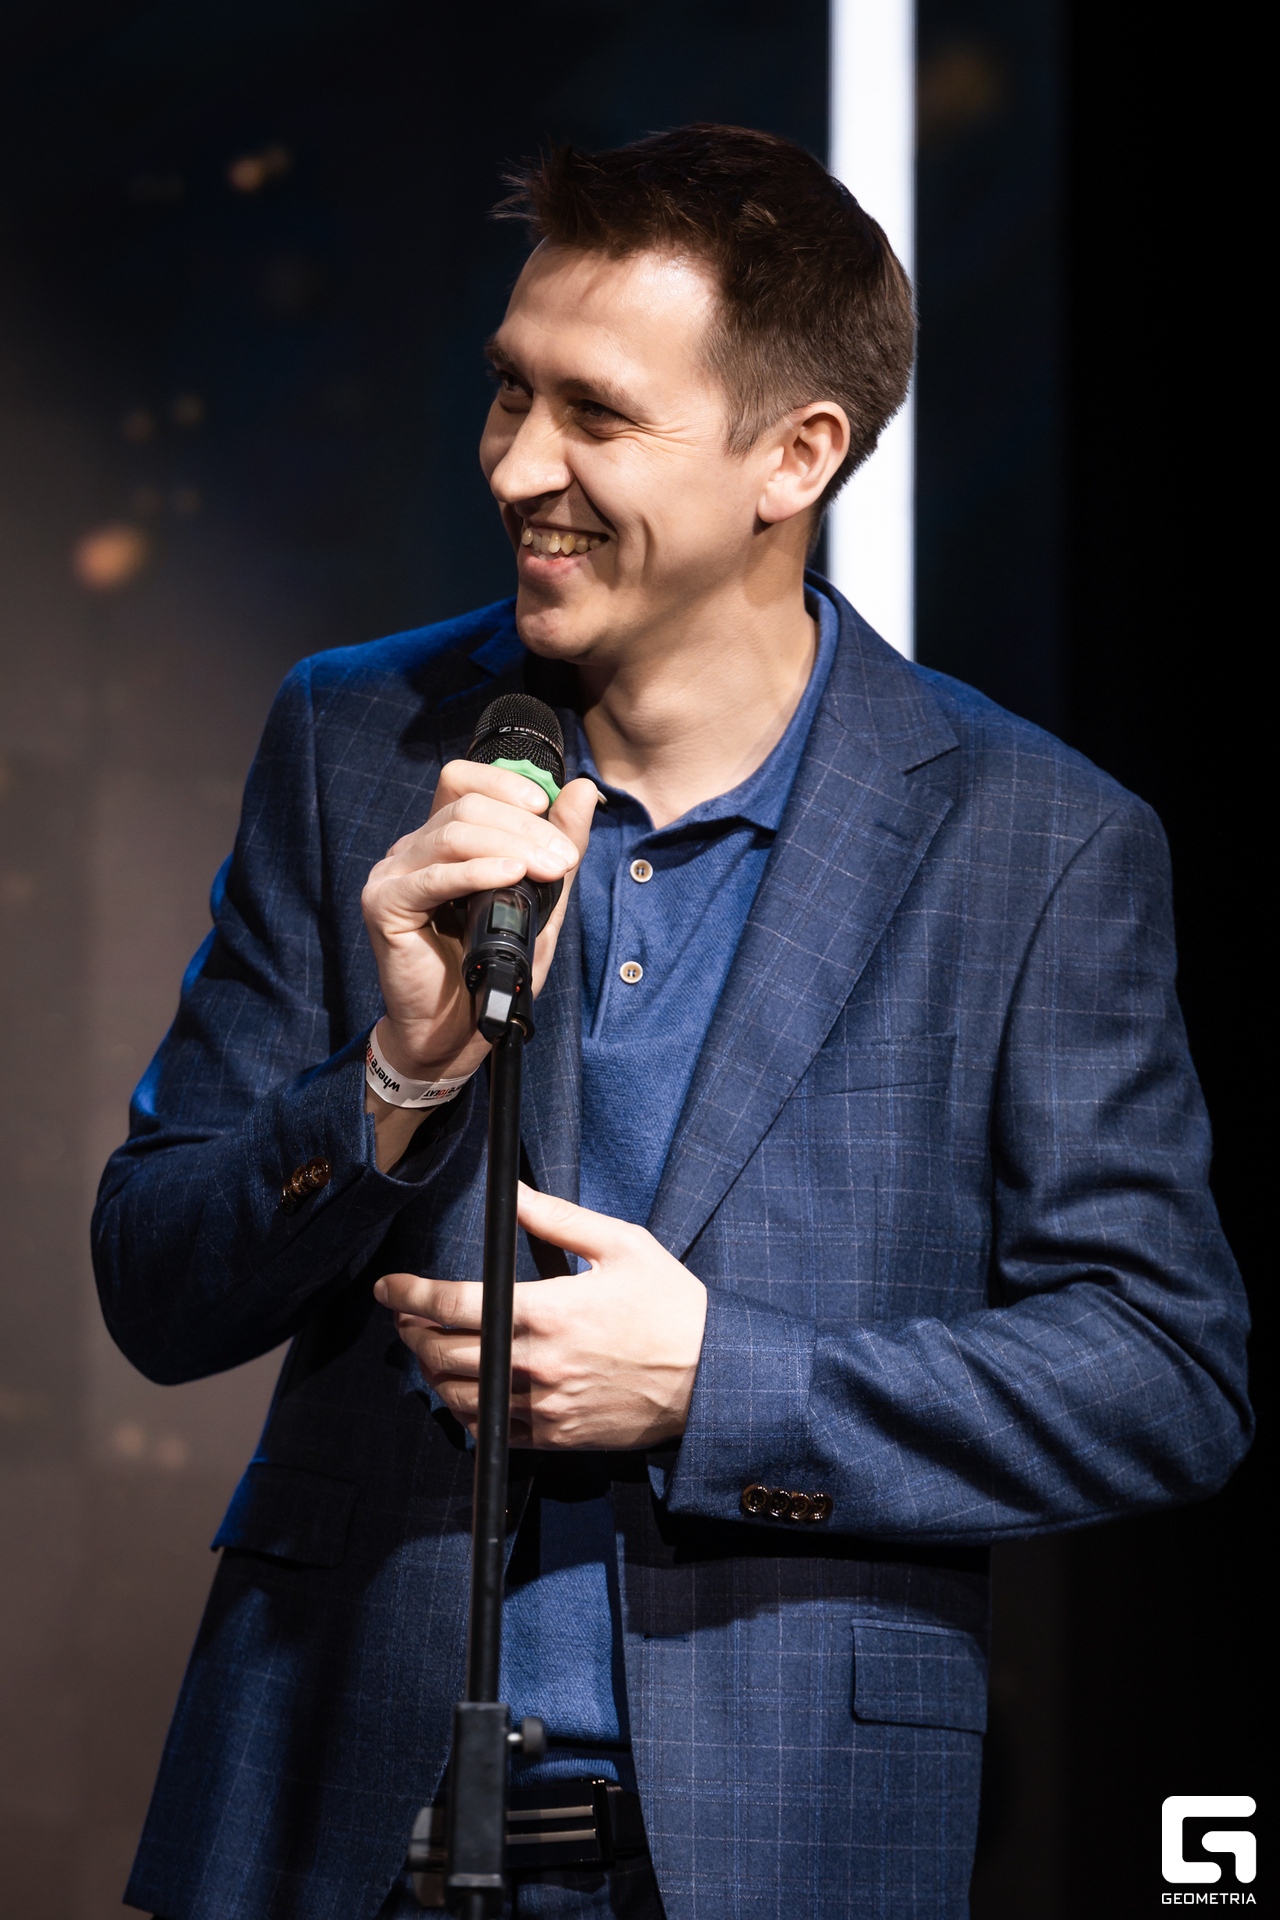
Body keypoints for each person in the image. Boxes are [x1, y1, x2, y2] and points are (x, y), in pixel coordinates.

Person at [93, 125, 1250, 1920]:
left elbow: (1163, 1375)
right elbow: (155, 1283)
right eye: (510, 391)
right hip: (332, 1824)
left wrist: (719, 1386)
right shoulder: (356, 739)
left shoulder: (1034, 838)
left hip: (777, 1847)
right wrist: (393, 1081)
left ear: (799, 455)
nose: (519, 465)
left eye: (598, 415)